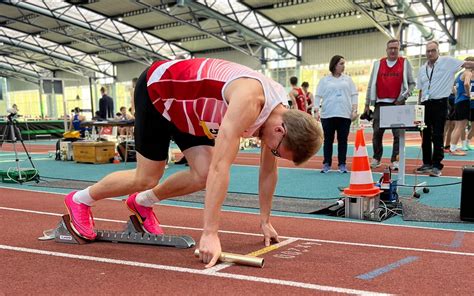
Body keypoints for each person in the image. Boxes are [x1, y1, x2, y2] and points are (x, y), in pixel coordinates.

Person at [63, 58, 323, 268]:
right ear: (280, 131)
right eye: (278, 151)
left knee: (202, 173)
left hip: (191, 110)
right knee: (147, 177)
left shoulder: (282, 113)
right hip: (159, 91)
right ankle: (81, 200)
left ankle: (141, 203)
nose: (272, 153)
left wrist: (265, 220)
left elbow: (268, 171)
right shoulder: (249, 101)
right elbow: (222, 167)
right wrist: (210, 233)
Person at [416, 41, 474, 177]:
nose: (430, 53)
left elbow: (467, 64)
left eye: (433, 50)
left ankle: (437, 165)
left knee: (437, 134)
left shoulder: (447, 62)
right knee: (425, 135)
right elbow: (420, 89)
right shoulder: (422, 69)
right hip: (425, 104)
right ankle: (426, 163)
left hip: (440, 103)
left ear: (438, 51)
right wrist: (419, 106)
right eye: (428, 51)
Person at [364, 39, 416, 170]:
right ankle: (376, 158)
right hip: (380, 103)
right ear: (386, 50)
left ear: (399, 50)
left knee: (398, 134)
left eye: (395, 48)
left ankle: (395, 160)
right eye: (390, 48)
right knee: (377, 133)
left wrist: (403, 97)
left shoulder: (404, 63)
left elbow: (412, 83)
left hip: (397, 104)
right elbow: (371, 85)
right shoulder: (378, 64)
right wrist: (367, 104)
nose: (393, 50)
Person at [315, 55, 358, 174]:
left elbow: (354, 95)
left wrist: (354, 110)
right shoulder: (324, 80)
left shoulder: (348, 80)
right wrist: (316, 110)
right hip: (328, 114)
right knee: (328, 140)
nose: (344, 66)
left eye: (344, 64)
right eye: (341, 64)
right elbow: (318, 96)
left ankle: (342, 164)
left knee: (343, 140)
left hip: (344, 114)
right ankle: (326, 164)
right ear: (334, 65)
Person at [449, 57, 473, 155]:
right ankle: (453, 149)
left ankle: (453, 147)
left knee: (458, 126)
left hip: (458, 101)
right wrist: (468, 94)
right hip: (464, 101)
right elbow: (467, 84)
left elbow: (454, 87)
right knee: (460, 126)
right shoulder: (468, 73)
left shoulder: (459, 74)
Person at [443, 86, 456, 153]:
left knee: (452, 126)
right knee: (446, 125)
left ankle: (447, 145)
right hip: (446, 98)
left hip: (454, 99)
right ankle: (441, 146)